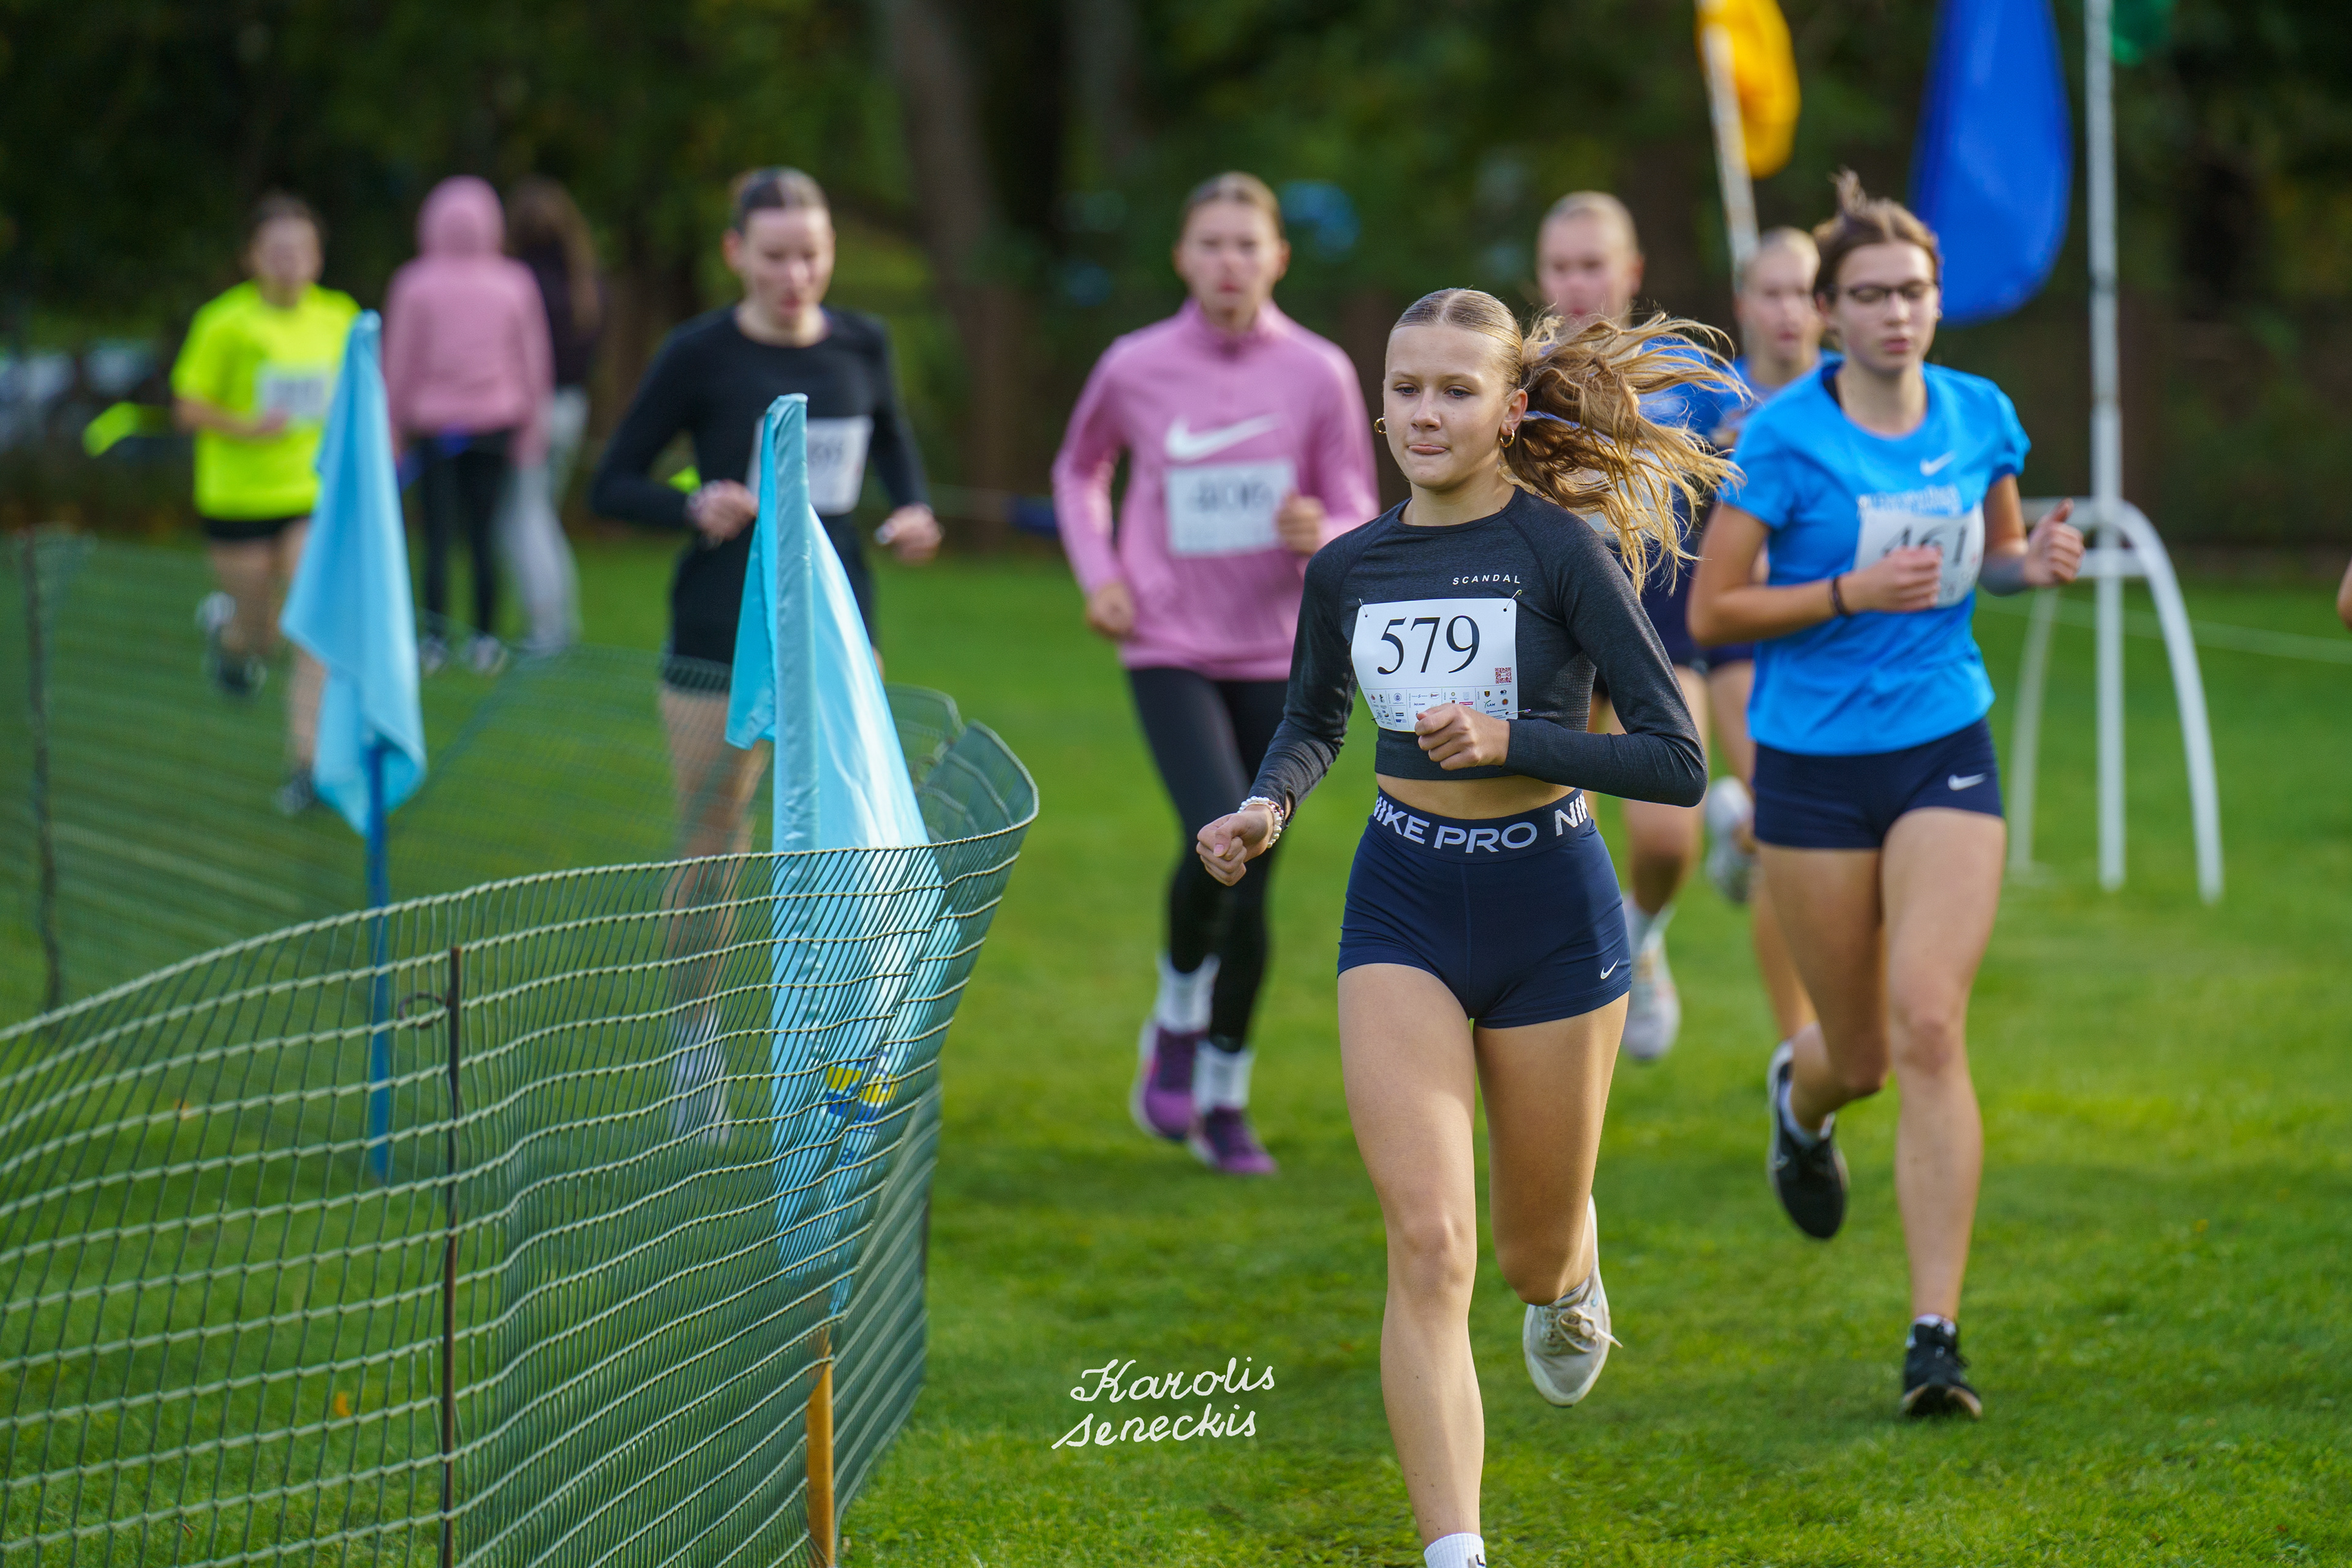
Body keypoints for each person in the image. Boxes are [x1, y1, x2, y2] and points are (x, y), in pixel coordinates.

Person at [1197, 289, 1727, 1568]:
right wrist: (1268, 806)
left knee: (1529, 1260)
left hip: (1554, 911)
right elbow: (1314, 719)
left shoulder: (1563, 554)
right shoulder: (1349, 566)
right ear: (1380, 407)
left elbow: (1677, 761)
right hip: (1404, 904)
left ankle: (1573, 1268)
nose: (1425, 413)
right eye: (1406, 388)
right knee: (1431, 1244)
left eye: (1455, 389)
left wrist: (1515, 740)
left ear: (1511, 409)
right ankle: (1455, 1549)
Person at [1687, 173, 2084, 1419]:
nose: (1896, 314)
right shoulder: (1783, 438)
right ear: (1830, 311)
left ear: (1937, 299)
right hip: (1810, 764)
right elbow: (1713, 611)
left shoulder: (1980, 414)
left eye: (1913, 292)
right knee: (1855, 1056)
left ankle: (1934, 1336)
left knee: (1927, 1025)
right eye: (1869, 296)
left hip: (1942, 745)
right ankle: (1799, 1106)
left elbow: (1996, 556)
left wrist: (2033, 564)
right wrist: (1847, 595)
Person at [590, 166, 941, 1135]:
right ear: (736, 254)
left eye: (812, 256)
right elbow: (611, 483)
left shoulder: (864, 344)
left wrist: (913, 513)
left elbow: (893, 452)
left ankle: (846, 1049)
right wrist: (692, 504)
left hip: (840, 630)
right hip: (719, 631)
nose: (796, 276)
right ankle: (695, 1044)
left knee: (848, 842)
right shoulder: (698, 354)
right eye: (776, 256)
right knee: (716, 837)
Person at [1053, 172, 1381, 1176]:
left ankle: (1227, 1098)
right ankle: (1177, 1017)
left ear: (1278, 257)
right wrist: (1102, 575)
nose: (1229, 261)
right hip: (1170, 644)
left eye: (1248, 244)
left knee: (1258, 869)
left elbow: (1358, 505)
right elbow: (1078, 470)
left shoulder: (1319, 371)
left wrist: (1322, 526)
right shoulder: (1134, 365)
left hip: (1284, 650)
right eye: (1211, 244)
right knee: (1220, 832)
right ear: (1182, 258)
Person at [1532, 192, 1746, 1061]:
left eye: (1594, 265)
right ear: (1539, 275)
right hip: (1548, 627)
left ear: (1632, 271)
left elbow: (1752, 444)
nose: (1578, 283)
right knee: (1554, 835)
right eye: (1561, 266)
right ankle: (1561, 1006)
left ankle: (1642, 935)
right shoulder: (1518, 375)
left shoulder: (1687, 376)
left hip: (1655, 621)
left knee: (1666, 831)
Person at [170, 192, 357, 815]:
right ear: (251, 256)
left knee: (311, 623)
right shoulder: (224, 322)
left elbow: (360, 396)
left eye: (300, 249)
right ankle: (233, 641)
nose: (288, 260)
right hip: (238, 498)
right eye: (275, 249)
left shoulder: (340, 318)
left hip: (311, 495)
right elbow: (187, 407)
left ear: (318, 257)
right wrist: (247, 426)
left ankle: (307, 764)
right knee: (262, 631)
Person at [1694, 227, 1833, 1046]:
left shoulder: (1855, 393)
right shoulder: (1709, 400)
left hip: (1835, 632)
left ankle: (1735, 830)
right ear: (1743, 303)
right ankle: (1795, 1048)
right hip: (1741, 633)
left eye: (1804, 293)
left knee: (1815, 820)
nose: (1789, 311)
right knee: (1787, 822)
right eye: (1771, 293)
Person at [383, 175, 554, 674]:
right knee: (484, 536)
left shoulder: (414, 282)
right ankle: (484, 639)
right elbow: (534, 362)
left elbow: (399, 362)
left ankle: (434, 640)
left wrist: (392, 427)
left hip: (435, 428)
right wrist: (533, 427)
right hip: (496, 425)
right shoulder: (514, 281)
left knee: (435, 537)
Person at [497, 176, 603, 654]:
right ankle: (560, 619)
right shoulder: (585, 282)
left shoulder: (516, 285)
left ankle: (547, 628)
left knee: (523, 517)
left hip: (533, 409)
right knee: (541, 515)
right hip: (572, 407)